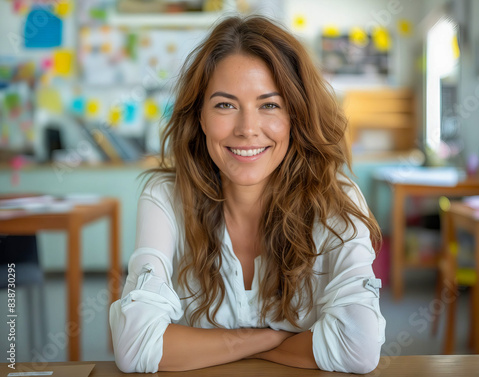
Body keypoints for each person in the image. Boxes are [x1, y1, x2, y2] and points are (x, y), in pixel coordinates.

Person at [109, 15, 386, 374]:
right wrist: (268, 341)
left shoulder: (337, 198)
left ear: (295, 116)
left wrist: (206, 346)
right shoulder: (166, 196)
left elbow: (359, 349)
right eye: (225, 105)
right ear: (201, 117)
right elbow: (134, 347)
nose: (247, 129)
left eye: (269, 105)